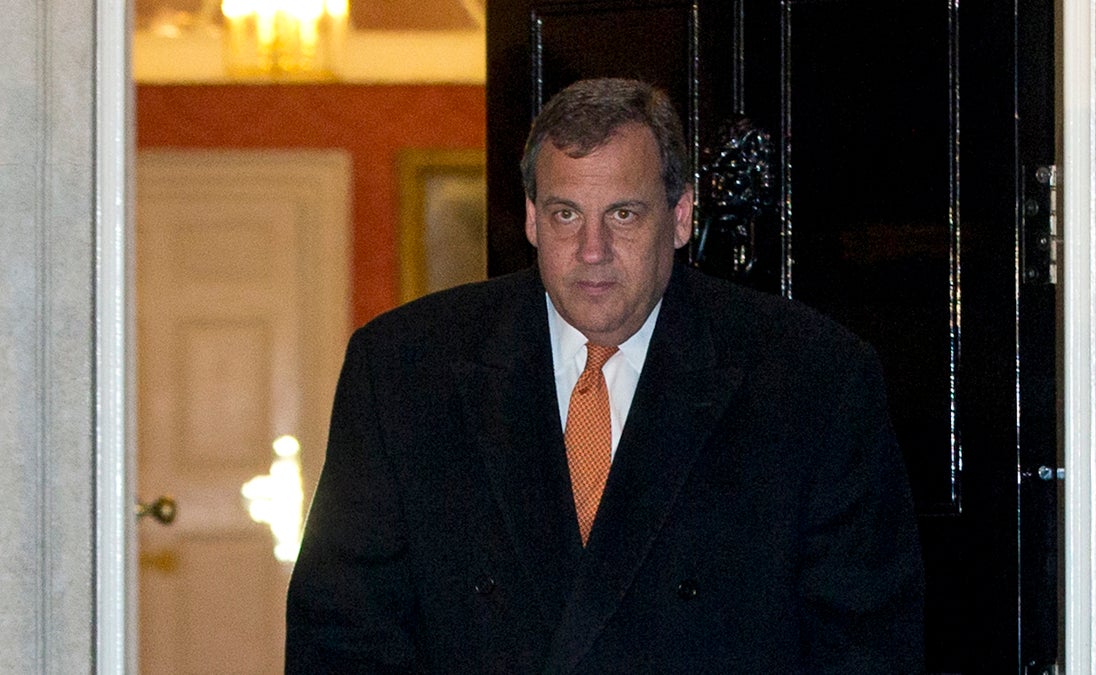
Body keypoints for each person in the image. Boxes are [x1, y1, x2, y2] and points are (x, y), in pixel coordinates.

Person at [286, 78, 924, 673]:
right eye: (566, 214)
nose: (592, 250)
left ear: (679, 217)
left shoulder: (812, 379)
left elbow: (865, 645)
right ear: (532, 219)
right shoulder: (404, 369)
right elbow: (342, 634)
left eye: (623, 214)